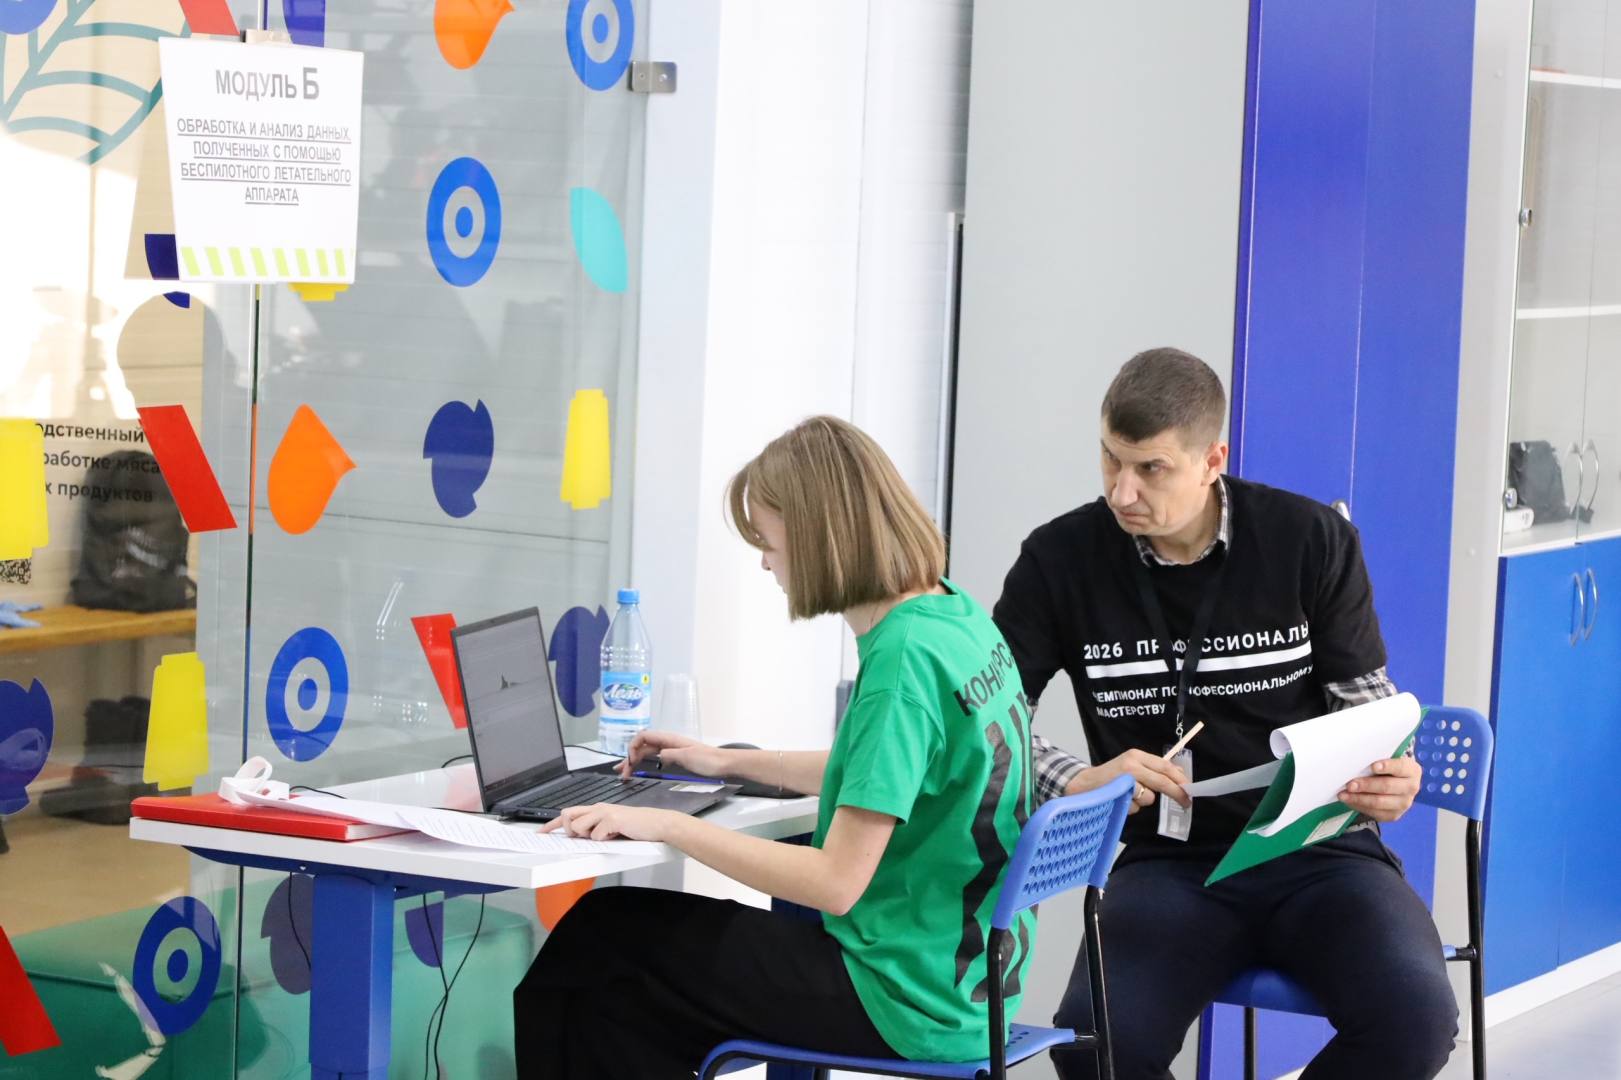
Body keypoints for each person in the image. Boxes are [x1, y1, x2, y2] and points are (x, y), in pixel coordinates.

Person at [514, 415, 1037, 1078]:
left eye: (767, 540)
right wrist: (723, 762)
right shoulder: (952, 615)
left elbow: (834, 884)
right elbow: (895, 771)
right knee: (615, 953)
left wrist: (668, 824)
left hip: (901, 995)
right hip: (968, 987)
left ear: (818, 535)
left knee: (593, 952)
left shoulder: (902, 660)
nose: (765, 561)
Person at [991, 348, 1457, 1080]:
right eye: (1110, 458)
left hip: (1320, 854)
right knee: (1094, 1050)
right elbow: (991, 723)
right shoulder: (1059, 560)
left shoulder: (1309, 540)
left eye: (1150, 468)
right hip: (1167, 866)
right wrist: (1076, 779)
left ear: (1212, 460)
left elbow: (1366, 703)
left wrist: (1392, 773)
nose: (1120, 491)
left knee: (1414, 1024)